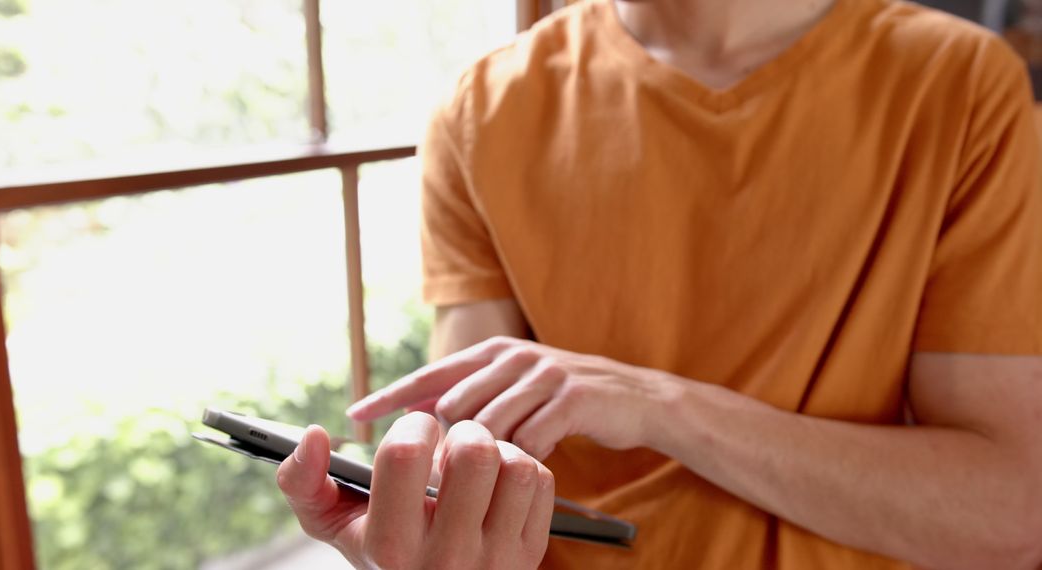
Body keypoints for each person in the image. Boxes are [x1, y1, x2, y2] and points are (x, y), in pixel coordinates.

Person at [277, 0, 1042, 567]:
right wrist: (420, 534)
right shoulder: (483, 110)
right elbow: (470, 460)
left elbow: (1010, 510)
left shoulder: (960, 86)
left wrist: (659, 406)